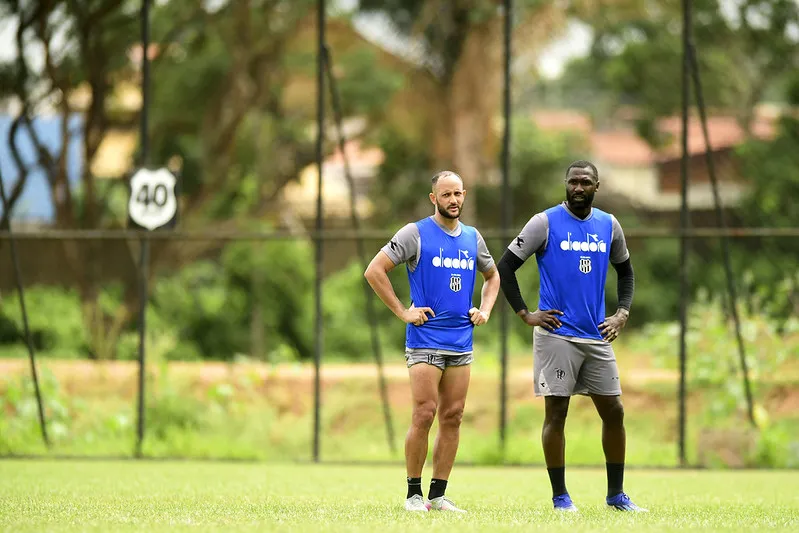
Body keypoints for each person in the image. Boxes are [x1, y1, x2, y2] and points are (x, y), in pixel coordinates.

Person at [496, 160, 647, 513]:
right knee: (557, 413)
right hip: (556, 335)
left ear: (597, 186)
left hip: (596, 336)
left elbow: (626, 272)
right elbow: (505, 266)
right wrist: (525, 314)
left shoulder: (609, 225)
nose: (578, 188)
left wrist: (622, 313)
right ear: (565, 185)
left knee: (614, 411)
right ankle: (561, 498)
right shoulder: (544, 222)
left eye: (586, 182)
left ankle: (616, 495)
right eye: (573, 182)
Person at [364, 170, 500, 513]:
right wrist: (402, 312)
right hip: (425, 340)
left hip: (461, 342)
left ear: (464, 195)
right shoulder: (416, 233)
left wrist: (484, 309)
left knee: (453, 416)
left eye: (458, 194)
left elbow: (493, 276)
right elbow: (374, 271)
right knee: (424, 413)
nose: (453, 200)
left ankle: (438, 496)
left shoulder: (472, 237)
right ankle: (413, 495)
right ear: (433, 198)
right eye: (446, 194)